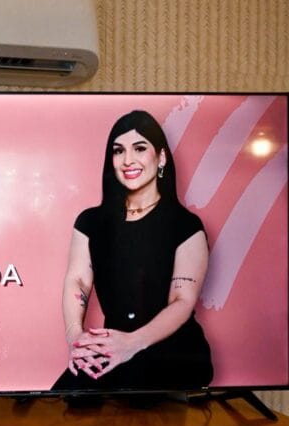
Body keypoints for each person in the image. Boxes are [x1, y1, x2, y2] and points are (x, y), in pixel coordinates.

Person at [52, 110, 213, 391]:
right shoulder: (90, 222)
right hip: (112, 347)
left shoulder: (185, 225)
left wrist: (132, 343)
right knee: (57, 404)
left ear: (161, 158)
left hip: (174, 354)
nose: (127, 160)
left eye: (139, 148)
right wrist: (76, 338)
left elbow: (182, 301)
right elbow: (78, 281)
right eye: (118, 151)